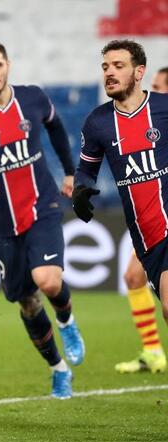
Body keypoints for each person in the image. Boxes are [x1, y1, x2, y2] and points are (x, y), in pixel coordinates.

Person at [0, 40, 85, 399]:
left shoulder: (33, 98)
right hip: (3, 222)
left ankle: (67, 322)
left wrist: (70, 172)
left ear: (7, 64)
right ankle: (58, 368)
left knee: (47, 280)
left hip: (42, 206)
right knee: (27, 302)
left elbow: (56, 129)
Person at [74, 41, 168, 363]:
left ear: (139, 72)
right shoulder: (98, 122)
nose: (109, 73)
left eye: (118, 66)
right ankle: (153, 351)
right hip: (147, 236)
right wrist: (81, 191)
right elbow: (86, 170)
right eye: (105, 67)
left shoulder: (164, 108)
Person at [114, 66, 168, 374]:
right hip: (154, 222)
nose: (153, 91)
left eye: (159, 87)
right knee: (134, 277)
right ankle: (153, 352)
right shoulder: (149, 123)